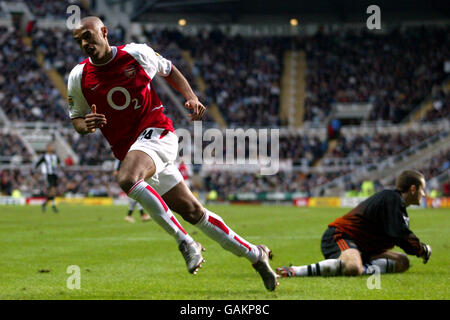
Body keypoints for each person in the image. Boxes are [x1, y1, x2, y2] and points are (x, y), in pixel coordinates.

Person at [67, 16, 278, 291]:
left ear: (104, 32)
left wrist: (190, 96)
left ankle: (186, 242)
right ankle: (255, 254)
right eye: (79, 40)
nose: (85, 43)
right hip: (134, 150)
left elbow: (169, 69)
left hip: (158, 133)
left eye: (88, 35)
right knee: (194, 212)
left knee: (127, 179)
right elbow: (76, 119)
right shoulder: (79, 76)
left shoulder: (136, 54)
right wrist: (87, 125)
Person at [276, 170, 432, 278]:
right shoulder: (392, 199)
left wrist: (419, 249)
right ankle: (295, 271)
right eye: (422, 189)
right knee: (353, 267)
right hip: (340, 235)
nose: (424, 194)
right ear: (413, 189)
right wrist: (421, 249)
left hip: (364, 248)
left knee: (402, 262)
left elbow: (401, 235)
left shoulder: (396, 203)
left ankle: (353, 264)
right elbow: (401, 234)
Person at [35, 143, 61, 213]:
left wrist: (59, 168)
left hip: (55, 175)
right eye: (50, 147)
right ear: (47, 148)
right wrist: (36, 172)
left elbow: (59, 164)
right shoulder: (45, 156)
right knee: (52, 190)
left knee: (52, 192)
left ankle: (44, 204)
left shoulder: (55, 156)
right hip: (48, 175)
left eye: (52, 146)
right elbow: (37, 164)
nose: (52, 148)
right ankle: (54, 207)